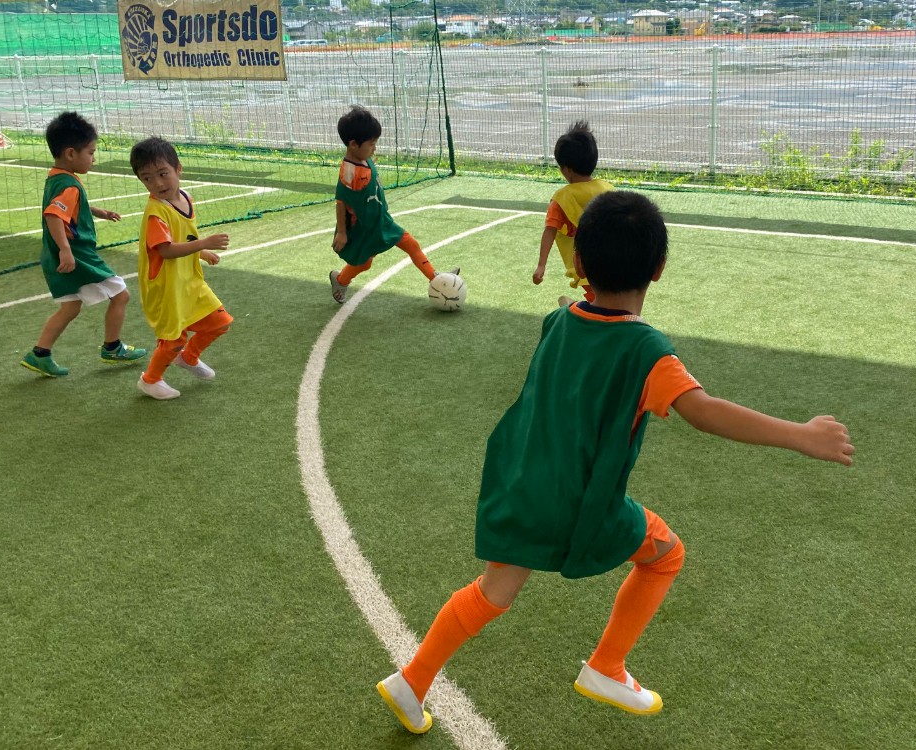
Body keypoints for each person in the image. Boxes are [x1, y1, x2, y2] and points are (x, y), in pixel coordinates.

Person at [377, 190, 855, 734]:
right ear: (659, 268)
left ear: (579, 263)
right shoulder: (647, 351)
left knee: (492, 592)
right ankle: (606, 666)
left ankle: (412, 681)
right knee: (665, 555)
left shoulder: (558, 322)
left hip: (521, 484)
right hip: (581, 503)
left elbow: (576, 351)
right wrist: (801, 435)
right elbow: (703, 411)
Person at [20, 111, 146, 377]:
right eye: (90, 152)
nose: (93, 158)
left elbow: (67, 208)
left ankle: (40, 354)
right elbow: (54, 215)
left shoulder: (57, 178)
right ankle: (112, 347)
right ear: (70, 153)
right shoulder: (69, 185)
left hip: (56, 255)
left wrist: (98, 212)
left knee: (70, 307)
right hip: (78, 256)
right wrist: (66, 250)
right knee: (121, 294)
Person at [129, 137, 232, 401]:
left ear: (178, 169)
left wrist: (201, 252)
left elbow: (182, 237)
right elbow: (165, 250)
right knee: (173, 339)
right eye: (147, 179)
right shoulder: (156, 213)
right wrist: (204, 243)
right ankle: (150, 380)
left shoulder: (186, 198)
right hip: (166, 288)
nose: (157, 183)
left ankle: (189, 357)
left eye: (162, 174)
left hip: (189, 281)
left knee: (220, 323)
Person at [328, 106, 457, 304]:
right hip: (366, 227)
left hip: (381, 220)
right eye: (371, 144)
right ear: (353, 144)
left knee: (410, 244)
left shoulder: (363, 157)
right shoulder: (350, 174)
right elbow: (340, 201)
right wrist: (342, 233)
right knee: (365, 263)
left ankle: (437, 279)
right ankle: (340, 280)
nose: (375, 148)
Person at [532, 120, 614, 306]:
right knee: (611, 298)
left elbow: (550, 230)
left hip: (586, 265)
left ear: (566, 169)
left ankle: (576, 308)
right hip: (616, 260)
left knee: (600, 301)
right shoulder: (608, 189)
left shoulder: (561, 199)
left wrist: (541, 265)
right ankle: (585, 309)